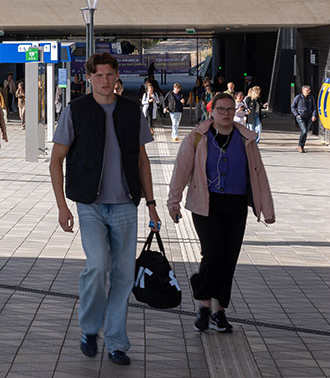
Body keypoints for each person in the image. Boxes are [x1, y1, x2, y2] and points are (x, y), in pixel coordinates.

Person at [49, 52, 159, 367]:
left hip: (126, 204)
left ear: (117, 77)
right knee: (97, 266)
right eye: (99, 75)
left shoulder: (130, 111)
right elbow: (56, 160)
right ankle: (88, 328)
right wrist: (61, 206)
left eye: (110, 75)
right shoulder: (76, 111)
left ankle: (116, 343)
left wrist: (151, 205)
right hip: (90, 205)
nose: (105, 81)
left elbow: (141, 160)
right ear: (89, 78)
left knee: (123, 276)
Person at [168, 91, 276, 333]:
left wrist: (266, 208)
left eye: (230, 110)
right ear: (211, 111)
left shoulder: (246, 139)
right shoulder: (197, 138)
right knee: (213, 253)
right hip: (205, 203)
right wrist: (173, 203)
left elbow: (259, 176)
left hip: (236, 205)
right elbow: (180, 172)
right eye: (221, 110)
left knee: (229, 259)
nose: (226, 114)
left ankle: (217, 311)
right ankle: (204, 303)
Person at [291, 84, 315, 152]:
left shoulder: (311, 98)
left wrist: (313, 115)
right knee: (304, 131)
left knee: (305, 132)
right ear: (303, 91)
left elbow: (314, 108)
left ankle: (302, 146)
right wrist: (296, 115)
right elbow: (293, 106)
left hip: (309, 117)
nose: (308, 92)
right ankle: (299, 145)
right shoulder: (298, 97)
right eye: (306, 90)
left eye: (309, 90)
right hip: (300, 117)